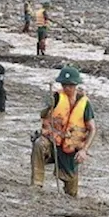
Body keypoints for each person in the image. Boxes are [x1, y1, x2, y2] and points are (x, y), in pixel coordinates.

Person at [32, 66, 95, 197]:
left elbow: (92, 128)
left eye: (70, 85)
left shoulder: (85, 104)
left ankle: (70, 193)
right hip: (53, 143)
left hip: (71, 148)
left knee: (71, 192)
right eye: (64, 85)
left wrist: (84, 150)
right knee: (39, 143)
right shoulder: (56, 97)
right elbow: (44, 116)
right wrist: (49, 106)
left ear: (76, 85)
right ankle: (36, 184)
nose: (67, 88)